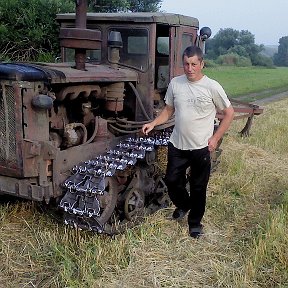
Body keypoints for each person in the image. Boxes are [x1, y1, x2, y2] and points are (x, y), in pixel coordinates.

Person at [142, 45, 234, 238]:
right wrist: (153, 123)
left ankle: (195, 223)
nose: (189, 68)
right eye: (186, 64)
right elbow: (169, 110)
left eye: (194, 64)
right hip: (177, 144)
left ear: (202, 64)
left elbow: (229, 113)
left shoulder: (212, 87)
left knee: (198, 187)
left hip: (201, 147)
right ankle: (184, 205)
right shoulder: (176, 83)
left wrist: (215, 139)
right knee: (172, 181)